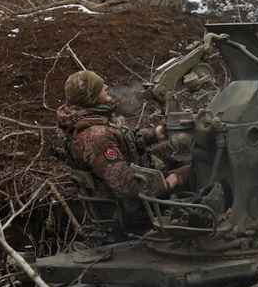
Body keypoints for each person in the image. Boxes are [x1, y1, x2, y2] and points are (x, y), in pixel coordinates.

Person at [56, 70, 189, 229]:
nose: (105, 86)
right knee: (194, 169)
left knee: (176, 147)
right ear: (89, 97)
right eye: (99, 86)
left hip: (126, 197)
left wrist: (156, 133)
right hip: (132, 210)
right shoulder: (96, 137)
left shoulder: (89, 122)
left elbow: (124, 139)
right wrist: (171, 181)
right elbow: (127, 185)